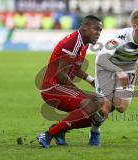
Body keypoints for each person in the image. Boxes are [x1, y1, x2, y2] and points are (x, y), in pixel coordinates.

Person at [88, 10, 138, 146]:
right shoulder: (121, 38)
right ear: (135, 26)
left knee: (121, 107)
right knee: (106, 106)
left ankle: (100, 105)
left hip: (129, 67)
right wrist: (118, 71)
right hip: (106, 66)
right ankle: (95, 131)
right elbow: (102, 58)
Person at [36, 15, 102, 148]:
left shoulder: (83, 44)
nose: (98, 33)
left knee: (103, 107)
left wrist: (91, 80)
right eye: (96, 29)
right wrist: (82, 93)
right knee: (89, 104)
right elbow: (61, 74)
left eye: (100, 30)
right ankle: (48, 134)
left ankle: (60, 130)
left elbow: (75, 69)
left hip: (61, 87)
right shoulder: (74, 42)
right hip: (52, 87)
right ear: (84, 27)